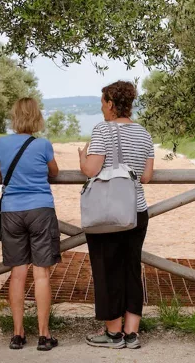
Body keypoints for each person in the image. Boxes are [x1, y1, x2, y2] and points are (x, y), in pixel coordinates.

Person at [78, 81, 155, 349]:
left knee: (107, 270)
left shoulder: (102, 130)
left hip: (108, 214)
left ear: (111, 104)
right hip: (136, 211)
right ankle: (132, 332)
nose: (101, 108)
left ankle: (113, 334)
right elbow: (145, 176)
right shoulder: (144, 133)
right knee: (132, 269)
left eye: (102, 103)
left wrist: (81, 157)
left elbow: (91, 169)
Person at [0, 98, 61, 351]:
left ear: (15, 117)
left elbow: (0, 173)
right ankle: (44, 335)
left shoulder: (1, 143)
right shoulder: (42, 144)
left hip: (11, 211)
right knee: (41, 272)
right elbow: (53, 171)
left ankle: (18, 334)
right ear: (36, 117)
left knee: (18, 273)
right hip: (40, 209)